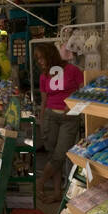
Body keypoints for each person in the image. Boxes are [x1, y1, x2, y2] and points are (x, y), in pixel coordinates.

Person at [35, 42, 84, 202]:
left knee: (60, 154)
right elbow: (44, 100)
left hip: (70, 117)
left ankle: (40, 182)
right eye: (38, 59)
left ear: (51, 55)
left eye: (42, 58)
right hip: (50, 116)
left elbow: (83, 93)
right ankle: (57, 193)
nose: (40, 62)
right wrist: (41, 121)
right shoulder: (44, 76)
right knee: (53, 156)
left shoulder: (73, 70)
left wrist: (74, 108)